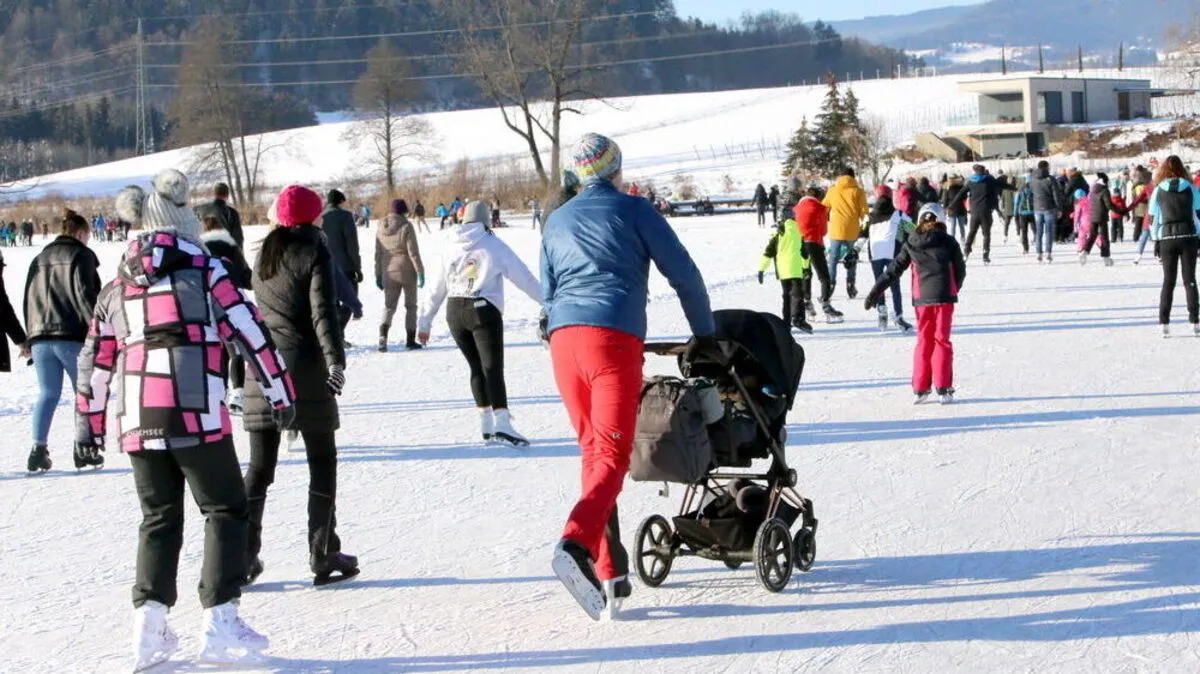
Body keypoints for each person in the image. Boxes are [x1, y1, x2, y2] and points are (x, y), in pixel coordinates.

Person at [80, 170, 294, 669]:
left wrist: (89, 425)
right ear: (183, 222)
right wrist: (280, 392)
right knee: (225, 509)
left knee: (159, 518)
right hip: (194, 409)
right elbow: (249, 330)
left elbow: (96, 360)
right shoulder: (205, 270)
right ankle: (221, 621)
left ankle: (148, 630)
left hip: (137, 415)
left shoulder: (117, 286)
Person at [541, 133, 714, 621]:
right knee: (613, 456)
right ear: (615, 169)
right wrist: (706, 334)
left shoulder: (557, 219)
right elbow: (684, 274)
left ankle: (609, 572)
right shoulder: (635, 210)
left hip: (564, 341)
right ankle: (576, 543)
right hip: (611, 337)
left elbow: (548, 293)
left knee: (593, 453)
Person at [241, 185, 359, 587]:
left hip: (263, 370)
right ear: (312, 217)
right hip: (305, 371)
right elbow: (322, 314)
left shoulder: (264, 254)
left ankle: (243, 555)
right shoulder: (315, 252)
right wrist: (336, 361)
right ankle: (323, 552)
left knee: (260, 469)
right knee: (322, 462)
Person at [417, 200, 542, 445]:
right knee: (492, 368)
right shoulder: (492, 244)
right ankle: (502, 423)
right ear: (485, 220)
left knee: (476, 368)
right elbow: (523, 277)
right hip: (483, 311)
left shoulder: (449, 243)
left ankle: (486, 424)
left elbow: (436, 287)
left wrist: (425, 322)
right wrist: (548, 302)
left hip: (455, 311)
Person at [864, 203, 966, 405]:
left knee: (924, 340)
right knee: (942, 340)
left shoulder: (911, 241)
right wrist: (953, 287)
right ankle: (943, 387)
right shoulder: (949, 241)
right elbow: (960, 270)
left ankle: (920, 388)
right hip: (945, 297)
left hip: (922, 299)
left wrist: (876, 291)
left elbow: (893, 270)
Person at [23, 209, 101, 472]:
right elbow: (85, 294)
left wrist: (30, 336)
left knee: (48, 393)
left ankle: (38, 450)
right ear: (80, 233)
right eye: (87, 234)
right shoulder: (81, 255)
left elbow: (28, 297)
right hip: (70, 335)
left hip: (40, 336)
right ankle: (84, 448)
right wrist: (98, 329)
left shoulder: (39, 257)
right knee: (84, 392)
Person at [200, 214, 253, 415]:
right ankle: (238, 393)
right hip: (230, 301)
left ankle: (219, 393)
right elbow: (245, 277)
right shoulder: (230, 247)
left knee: (217, 349)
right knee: (234, 349)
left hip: (205, 302)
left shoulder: (198, 249)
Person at [1148, 156, 1200, 337]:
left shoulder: (1158, 190)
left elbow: (1153, 218)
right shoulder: (1192, 188)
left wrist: (1156, 239)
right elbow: (1198, 215)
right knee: (1189, 280)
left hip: (1167, 238)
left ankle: (1164, 323)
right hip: (1188, 236)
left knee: (1168, 282)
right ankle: (1195, 321)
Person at [375, 199, 425, 351]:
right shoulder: (406, 225)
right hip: (406, 270)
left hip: (388, 271)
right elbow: (413, 252)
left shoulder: (380, 227)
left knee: (389, 306)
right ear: (404, 210)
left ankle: (383, 337)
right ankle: (410, 340)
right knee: (411, 306)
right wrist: (420, 272)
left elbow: (378, 254)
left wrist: (378, 274)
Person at [757, 207, 813, 334]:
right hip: (796, 269)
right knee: (798, 295)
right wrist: (806, 268)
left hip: (783, 271)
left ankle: (786, 323)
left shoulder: (777, 235)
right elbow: (804, 253)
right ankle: (798, 318)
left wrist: (761, 269)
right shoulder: (798, 231)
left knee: (786, 296)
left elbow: (768, 253)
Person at [865, 194, 915, 333]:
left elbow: (862, 233)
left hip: (875, 253)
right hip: (892, 253)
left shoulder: (870, 216)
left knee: (879, 284)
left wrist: (855, 249)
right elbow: (912, 229)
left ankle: (882, 313)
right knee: (894, 285)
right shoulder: (898, 214)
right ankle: (898, 316)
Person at [794, 186, 842, 323]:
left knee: (806, 273)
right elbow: (823, 231)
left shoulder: (796, 208)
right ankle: (826, 304)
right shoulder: (820, 208)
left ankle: (807, 302)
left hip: (799, 243)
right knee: (824, 276)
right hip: (814, 243)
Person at [319, 190, 363, 335]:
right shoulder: (345, 216)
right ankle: (338, 333)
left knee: (333, 303)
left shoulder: (321, 217)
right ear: (341, 201)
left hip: (324, 265)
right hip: (345, 266)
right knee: (350, 299)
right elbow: (352, 245)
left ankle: (338, 337)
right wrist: (357, 268)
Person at [822, 167, 869, 299]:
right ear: (853, 177)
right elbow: (864, 212)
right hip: (852, 230)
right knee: (852, 257)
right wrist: (865, 226)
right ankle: (850, 284)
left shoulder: (832, 190)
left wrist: (826, 218)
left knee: (833, 258)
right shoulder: (858, 191)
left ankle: (830, 284)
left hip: (836, 229)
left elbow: (823, 208)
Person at [954, 164, 1003, 264]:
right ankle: (985, 254)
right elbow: (1001, 184)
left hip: (975, 212)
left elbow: (961, 193)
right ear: (984, 171)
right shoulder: (989, 180)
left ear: (975, 171)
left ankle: (966, 251)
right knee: (986, 234)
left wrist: (952, 204)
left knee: (972, 233)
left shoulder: (971, 181)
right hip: (986, 212)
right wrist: (1014, 188)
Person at [1081, 173, 1124, 266]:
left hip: (1092, 216)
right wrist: (1120, 211)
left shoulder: (1093, 189)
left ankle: (1085, 251)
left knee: (1092, 235)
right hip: (1101, 217)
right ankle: (1106, 258)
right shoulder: (1104, 190)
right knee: (1104, 238)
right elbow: (1108, 204)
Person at [1031, 161, 1065, 263]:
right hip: (1049, 207)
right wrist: (1059, 208)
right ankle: (1048, 253)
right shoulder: (1050, 179)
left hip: (1037, 207)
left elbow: (1032, 192)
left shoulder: (1033, 179)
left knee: (1039, 232)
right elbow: (1056, 194)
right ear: (1046, 167)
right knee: (1049, 231)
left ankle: (1038, 253)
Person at [194, 182, 245, 248]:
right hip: (223, 250)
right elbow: (238, 238)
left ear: (214, 194)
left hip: (202, 249)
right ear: (227, 195)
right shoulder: (232, 212)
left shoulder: (198, 209)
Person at [940, 174, 968, 243]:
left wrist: (945, 208)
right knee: (961, 226)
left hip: (951, 209)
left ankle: (952, 241)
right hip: (961, 208)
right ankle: (963, 239)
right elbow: (965, 197)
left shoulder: (947, 187)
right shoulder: (961, 186)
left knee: (952, 226)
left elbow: (944, 199)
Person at [1013, 177, 1036, 256]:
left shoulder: (1020, 191)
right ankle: (1038, 246)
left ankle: (1025, 249)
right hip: (1033, 213)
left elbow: (1016, 202)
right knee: (1036, 230)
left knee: (1024, 232)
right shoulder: (1034, 191)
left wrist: (1015, 213)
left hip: (1022, 213)